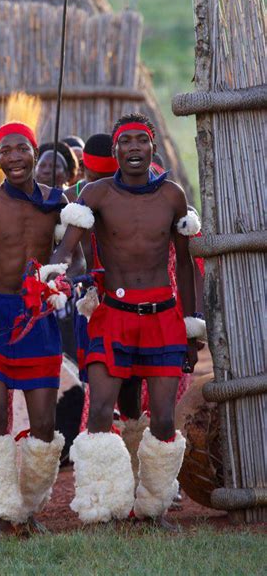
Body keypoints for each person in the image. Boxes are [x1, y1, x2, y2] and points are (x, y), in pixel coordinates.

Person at [51, 113, 206, 528]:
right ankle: (103, 505)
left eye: (142, 140)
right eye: (126, 142)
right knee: (100, 409)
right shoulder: (95, 195)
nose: (134, 148)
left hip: (162, 316)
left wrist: (192, 327)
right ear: (115, 150)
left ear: (153, 148)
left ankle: (153, 507)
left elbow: (188, 266)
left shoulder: (173, 197)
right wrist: (54, 268)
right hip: (113, 317)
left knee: (164, 418)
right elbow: (67, 248)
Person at [0, 121, 85, 538]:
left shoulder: (57, 202)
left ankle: (28, 511)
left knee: (44, 426)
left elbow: (78, 261)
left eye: (21, 149)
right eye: (6, 151)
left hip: (38, 319)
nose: (14, 158)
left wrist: (58, 281)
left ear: (34, 153)